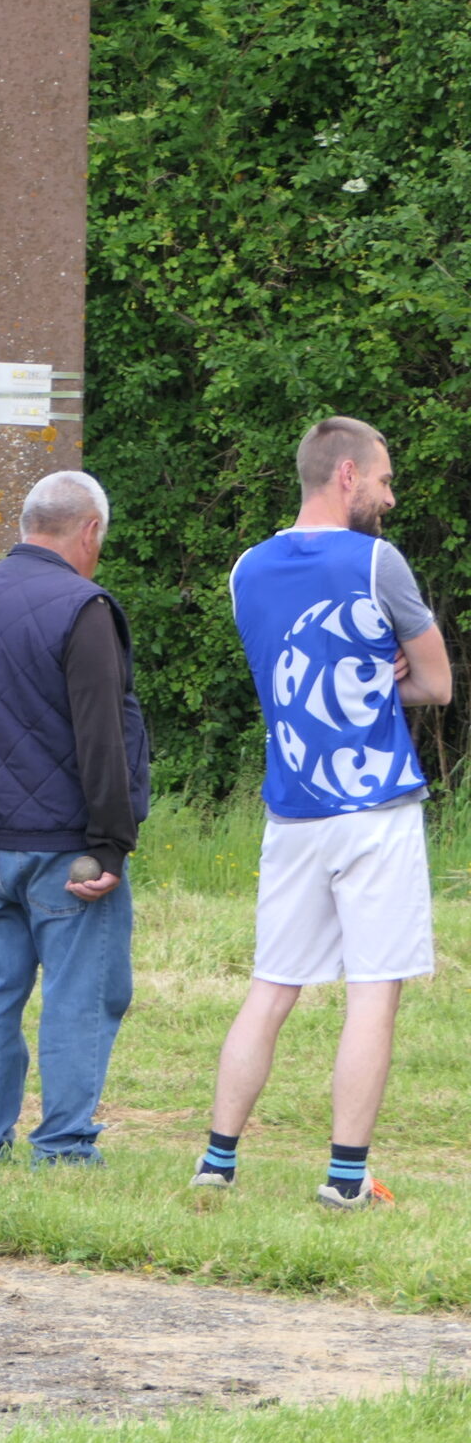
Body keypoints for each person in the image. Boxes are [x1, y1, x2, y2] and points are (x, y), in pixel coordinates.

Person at [196, 417, 450, 1210]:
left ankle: (216, 1162)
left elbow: (286, 674)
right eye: (383, 478)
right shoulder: (378, 562)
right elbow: (438, 684)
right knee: (373, 990)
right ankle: (345, 1178)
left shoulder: (246, 568)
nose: (390, 496)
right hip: (375, 807)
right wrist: (387, 678)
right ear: (346, 474)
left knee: (272, 986)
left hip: (293, 807)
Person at [0, 471, 149, 1166]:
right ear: (90, 531)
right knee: (83, 995)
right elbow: (102, 735)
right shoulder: (84, 608)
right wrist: (110, 844)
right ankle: (64, 1145)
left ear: (27, 524)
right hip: (65, 848)